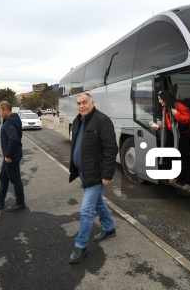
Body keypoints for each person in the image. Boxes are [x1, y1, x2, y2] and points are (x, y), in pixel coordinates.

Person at [68, 92, 117, 264]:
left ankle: (81, 245)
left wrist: (107, 174)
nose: (81, 106)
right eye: (79, 103)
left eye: (85, 102)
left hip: (96, 173)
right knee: (98, 202)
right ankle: (109, 228)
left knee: (86, 210)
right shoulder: (77, 121)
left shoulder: (102, 120)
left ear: (92, 102)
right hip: (83, 171)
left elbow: (111, 148)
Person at [153, 89, 190, 191]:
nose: (159, 101)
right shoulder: (165, 108)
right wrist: (158, 127)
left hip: (183, 135)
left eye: (160, 99)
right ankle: (179, 175)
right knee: (174, 156)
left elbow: (188, 119)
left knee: (185, 157)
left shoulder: (178, 106)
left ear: (166, 98)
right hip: (173, 134)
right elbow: (168, 124)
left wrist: (176, 114)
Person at [0, 101, 26, 211]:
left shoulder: (10, 122)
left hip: (11, 157)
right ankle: (0, 200)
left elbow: (13, 139)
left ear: (6, 110)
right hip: (10, 156)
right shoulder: (13, 119)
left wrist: (8, 155)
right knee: (3, 177)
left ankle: (20, 203)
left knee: (15, 179)